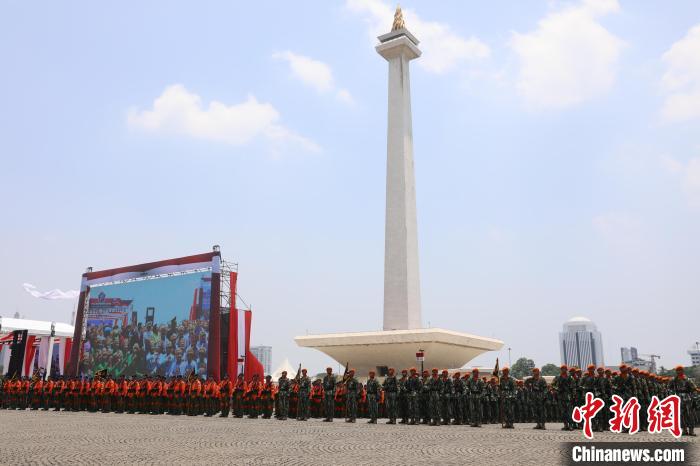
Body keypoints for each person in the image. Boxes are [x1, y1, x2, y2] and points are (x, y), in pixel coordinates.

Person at [669, 366, 696, 437]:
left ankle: (691, 430)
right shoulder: (674, 380)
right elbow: (669, 388)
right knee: (681, 415)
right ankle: (684, 430)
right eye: (677, 370)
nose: (678, 372)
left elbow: (693, 388)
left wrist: (693, 397)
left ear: (682, 371)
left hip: (687, 398)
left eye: (680, 370)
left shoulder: (687, 380)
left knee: (690, 414)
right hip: (678, 398)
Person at [552, 365, 575, 431]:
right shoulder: (557, 377)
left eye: (565, 369)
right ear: (561, 370)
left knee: (569, 412)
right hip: (560, 396)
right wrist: (557, 389)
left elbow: (573, 387)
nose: (563, 370)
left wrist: (573, 395)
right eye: (562, 369)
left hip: (568, 396)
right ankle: (565, 425)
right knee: (562, 412)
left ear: (566, 370)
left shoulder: (570, 377)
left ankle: (570, 425)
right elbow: (553, 384)